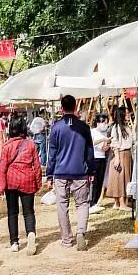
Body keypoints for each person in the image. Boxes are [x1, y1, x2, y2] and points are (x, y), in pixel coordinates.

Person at [47, 95, 95, 251]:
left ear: (61, 108)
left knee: (62, 205)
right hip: (80, 171)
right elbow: (89, 151)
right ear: (75, 107)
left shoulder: (56, 127)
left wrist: (49, 174)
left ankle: (67, 239)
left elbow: (52, 153)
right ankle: (81, 231)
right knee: (82, 204)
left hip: (60, 172)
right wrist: (91, 169)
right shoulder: (84, 127)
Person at [0, 116, 42, 254]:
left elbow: (2, 168)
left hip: (11, 180)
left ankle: (14, 242)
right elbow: (37, 166)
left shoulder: (6, 146)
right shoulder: (31, 145)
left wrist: (1, 188)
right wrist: (38, 183)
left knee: (12, 213)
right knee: (29, 212)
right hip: (28, 180)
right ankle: (31, 233)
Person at [106, 106, 133, 211]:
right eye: (126, 113)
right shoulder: (116, 128)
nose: (128, 115)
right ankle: (121, 203)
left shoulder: (126, 126)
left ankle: (118, 203)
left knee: (120, 178)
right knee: (121, 179)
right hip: (121, 154)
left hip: (126, 154)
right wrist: (117, 158)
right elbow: (115, 143)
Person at [89, 114, 111, 214]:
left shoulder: (104, 133)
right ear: (98, 123)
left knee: (100, 180)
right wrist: (103, 140)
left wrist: (106, 146)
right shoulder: (93, 131)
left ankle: (96, 201)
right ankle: (92, 202)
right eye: (104, 123)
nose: (105, 125)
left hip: (102, 157)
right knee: (95, 181)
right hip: (95, 158)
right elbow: (91, 143)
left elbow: (104, 147)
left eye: (106, 123)